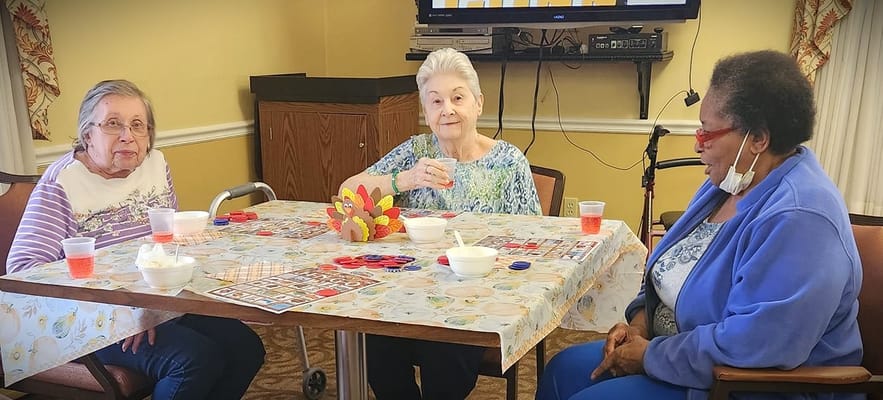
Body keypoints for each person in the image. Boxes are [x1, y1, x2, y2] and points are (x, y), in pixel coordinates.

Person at [536, 50, 864, 400]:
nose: (697, 144)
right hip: (683, 353)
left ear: (758, 139)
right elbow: (671, 275)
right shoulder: (726, 184)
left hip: (745, 384)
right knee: (563, 370)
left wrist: (649, 356)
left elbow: (755, 343)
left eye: (708, 132)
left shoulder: (801, 219)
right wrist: (638, 326)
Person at [7, 80, 265, 400]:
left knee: (246, 348)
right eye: (113, 124)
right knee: (194, 360)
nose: (127, 135)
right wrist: (122, 312)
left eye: (138, 125)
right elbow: (23, 270)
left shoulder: (156, 164)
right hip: (90, 319)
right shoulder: (62, 183)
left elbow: (167, 242)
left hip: (158, 305)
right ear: (88, 135)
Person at [340, 47, 541, 399]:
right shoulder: (415, 152)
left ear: (478, 103)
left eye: (457, 98)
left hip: (474, 300)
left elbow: (534, 238)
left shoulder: (507, 161)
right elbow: (347, 191)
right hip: (404, 295)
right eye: (435, 101)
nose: (447, 109)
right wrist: (404, 180)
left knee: (447, 355)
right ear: (425, 111)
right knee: (371, 339)